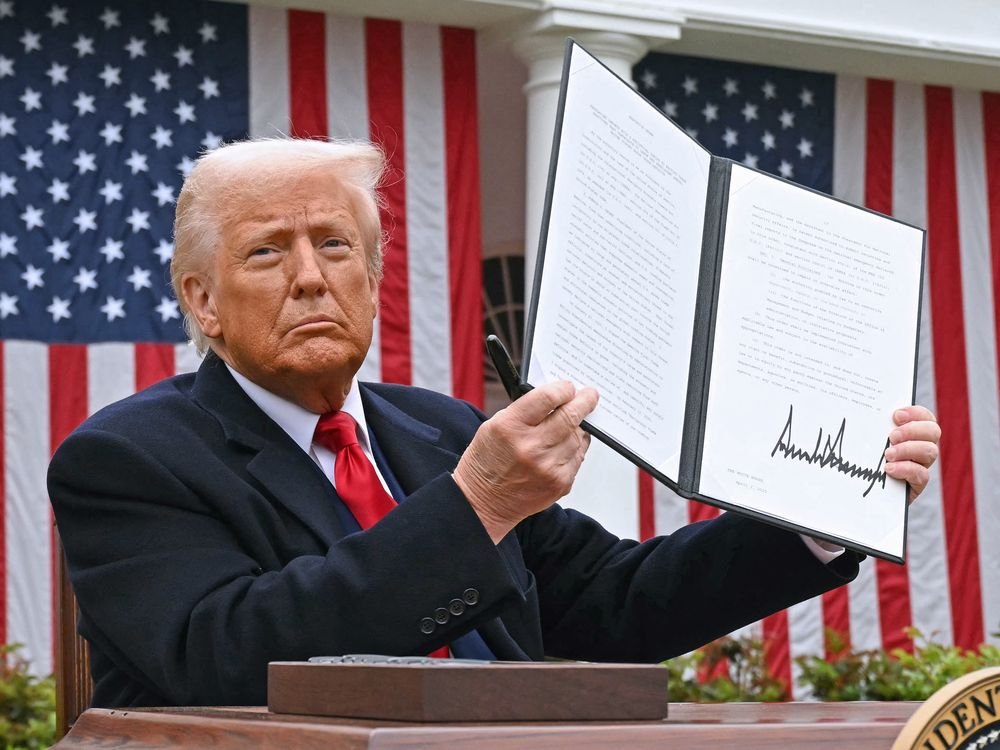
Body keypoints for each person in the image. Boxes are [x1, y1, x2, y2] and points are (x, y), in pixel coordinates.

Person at [48, 138, 941, 708]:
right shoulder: (127, 458)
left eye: (334, 244)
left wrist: (818, 514)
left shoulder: (437, 429)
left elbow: (610, 606)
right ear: (202, 301)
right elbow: (227, 660)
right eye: (266, 252)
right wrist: (474, 503)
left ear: (373, 275)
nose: (311, 277)